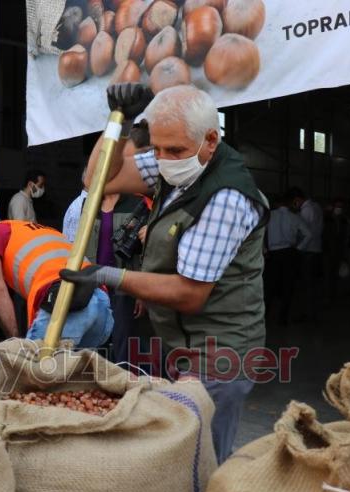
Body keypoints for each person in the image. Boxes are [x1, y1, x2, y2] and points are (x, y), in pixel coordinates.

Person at [63, 83, 269, 463]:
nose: (164, 159)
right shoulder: (174, 170)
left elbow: (190, 294)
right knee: (188, 454)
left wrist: (107, 275)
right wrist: (119, 125)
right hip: (184, 347)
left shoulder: (226, 197)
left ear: (211, 140)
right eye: (156, 149)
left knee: (202, 460)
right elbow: (97, 181)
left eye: (174, 150)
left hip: (220, 354)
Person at [66, 122, 153, 363]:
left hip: (125, 286)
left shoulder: (137, 202)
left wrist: (142, 293)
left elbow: (146, 253)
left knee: (123, 342)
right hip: (94, 286)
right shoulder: (87, 205)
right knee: (95, 342)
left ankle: (123, 390)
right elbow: (76, 246)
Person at [0, 219, 113, 348]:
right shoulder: (37, 229)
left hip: (65, 299)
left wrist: (16, 345)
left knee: (33, 369)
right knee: (75, 372)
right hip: (100, 299)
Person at [264, 196, 311, 325]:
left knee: (269, 286)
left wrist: (264, 250)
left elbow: (260, 233)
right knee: (287, 286)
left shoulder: (269, 216)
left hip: (273, 255)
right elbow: (308, 234)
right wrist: (299, 248)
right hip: (289, 254)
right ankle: (282, 318)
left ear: (276, 203)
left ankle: (264, 316)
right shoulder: (295, 216)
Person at [288, 187, 323, 321]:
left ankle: (307, 314)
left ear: (296, 200)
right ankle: (312, 312)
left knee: (306, 284)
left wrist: (297, 247)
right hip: (316, 249)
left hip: (308, 251)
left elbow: (304, 231)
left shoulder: (307, 210)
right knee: (313, 284)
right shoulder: (316, 206)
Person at [323, 197, 350, 301]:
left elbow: (346, 237)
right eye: (337, 206)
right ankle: (328, 296)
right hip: (328, 250)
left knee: (336, 274)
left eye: (341, 207)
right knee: (327, 275)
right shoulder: (326, 219)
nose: (339, 208)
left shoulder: (344, 220)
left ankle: (333, 295)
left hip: (339, 251)